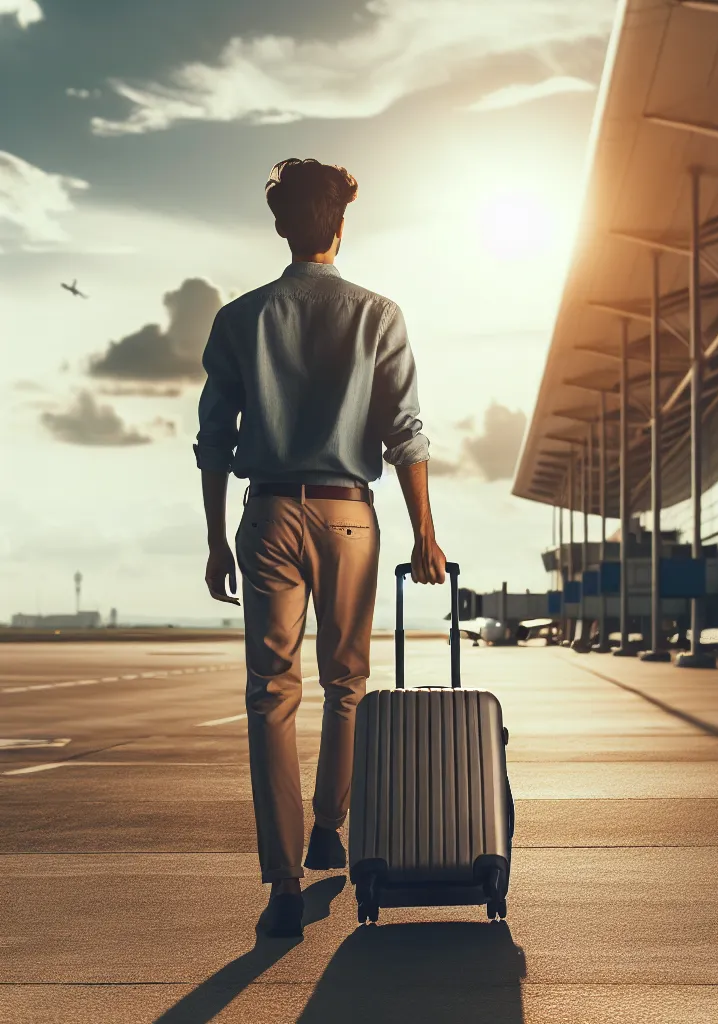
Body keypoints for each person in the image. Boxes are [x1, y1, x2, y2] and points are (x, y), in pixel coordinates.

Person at [194, 157, 447, 938]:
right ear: (342, 223)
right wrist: (425, 534)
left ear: (280, 225)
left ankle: (280, 883)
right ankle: (330, 826)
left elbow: (213, 441)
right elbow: (404, 433)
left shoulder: (239, 318)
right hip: (348, 516)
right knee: (348, 682)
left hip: (268, 513)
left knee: (270, 694)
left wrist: (215, 540)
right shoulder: (379, 314)